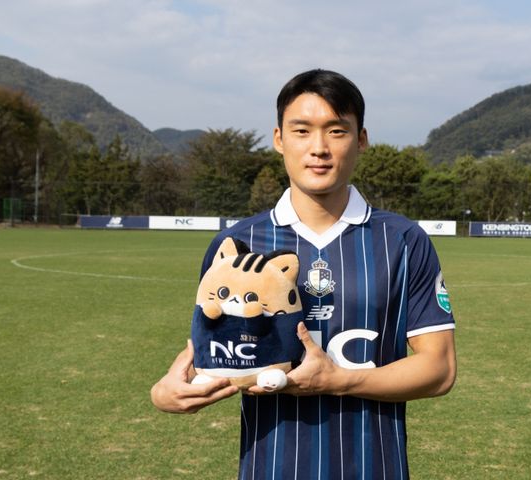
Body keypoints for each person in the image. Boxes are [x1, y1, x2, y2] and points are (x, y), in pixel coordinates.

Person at [151, 69, 457, 479]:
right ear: (279, 139)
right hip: (270, 468)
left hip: (373, 467)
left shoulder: (402, 241)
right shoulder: (236, 244)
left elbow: (439, 369)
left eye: (336, 131)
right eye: (302, 131)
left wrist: (338, 380)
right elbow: (213, 355)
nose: (319, 148)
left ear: (361, 140)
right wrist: (166, 391)